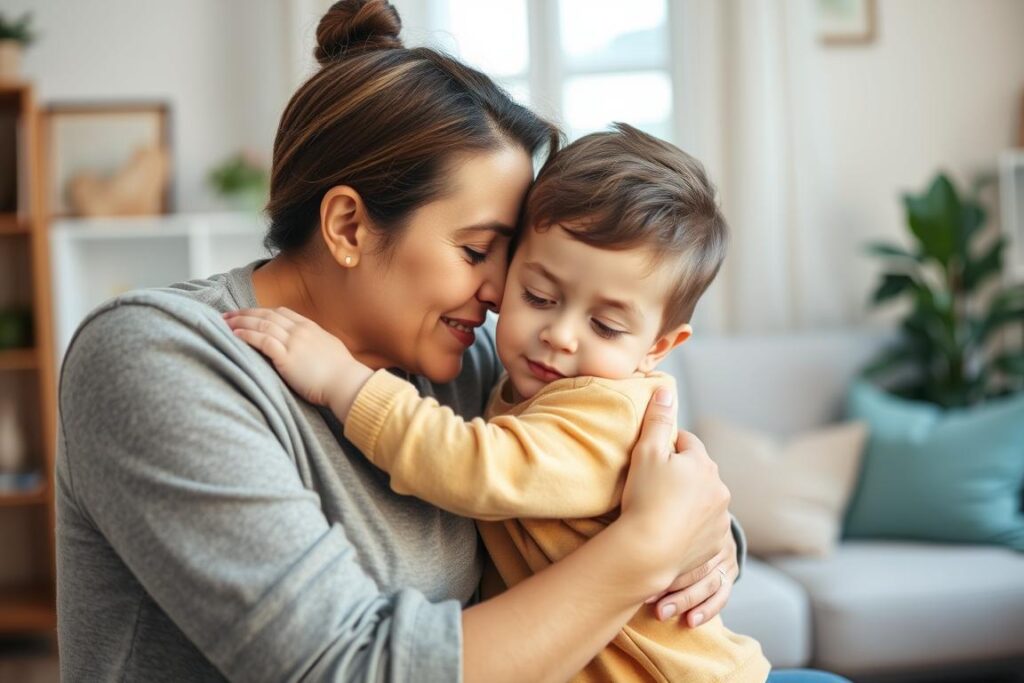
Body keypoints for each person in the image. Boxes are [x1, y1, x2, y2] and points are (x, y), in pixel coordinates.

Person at [55, 2, 743, 681]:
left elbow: (608, 488)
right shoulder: (158, 360)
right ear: (350, 226)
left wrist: (709, 530)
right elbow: (350, 669)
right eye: (477, 251)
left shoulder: (462, 357)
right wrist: (648, 546)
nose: (502, 294)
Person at [226, 123, 774, 682]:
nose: (559, 334)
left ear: (658, 348)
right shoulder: (511, 369)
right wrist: (668, 537)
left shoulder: (600, 407)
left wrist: (346, 382)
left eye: (606, 326)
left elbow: (473, 465)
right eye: (536, 295)